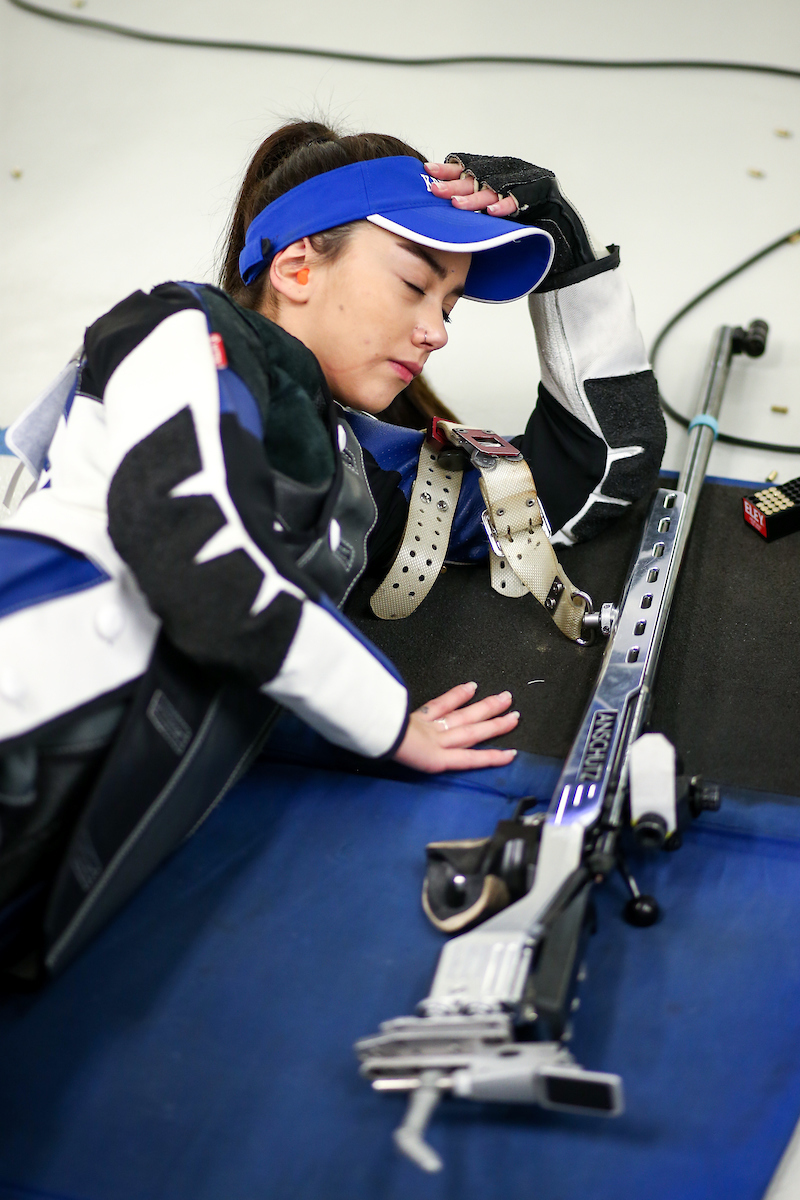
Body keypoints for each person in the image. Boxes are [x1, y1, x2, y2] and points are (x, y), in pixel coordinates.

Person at [0, 120, 665, 976]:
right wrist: (386, 720)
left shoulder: (356, 469)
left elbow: (582, 486)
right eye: (414, 285)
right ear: (296, 267)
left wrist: (568, 261)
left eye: (449, 306)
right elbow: (199, 561)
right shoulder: (177, 329)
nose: (437, 331)